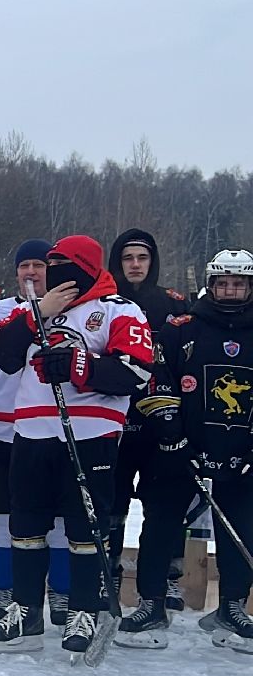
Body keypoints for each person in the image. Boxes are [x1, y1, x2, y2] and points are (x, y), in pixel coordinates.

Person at [0, 235, 152, 657]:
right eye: (48, 265)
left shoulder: (118, 309)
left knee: (84, 525)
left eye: (62, 265)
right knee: (26, 523)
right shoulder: (34, 310)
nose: (52, 272)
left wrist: (79, 366)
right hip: (32, 429)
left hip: (90, 430)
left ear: (86, 267)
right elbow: (0, 356)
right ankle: (25, 610)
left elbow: (137, 371)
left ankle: (83, 609)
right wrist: (39, 313)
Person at [0, 240, 72, 624]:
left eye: (39, 264)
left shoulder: (72, 312)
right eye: (25, 265)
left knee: (58, 518)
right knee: (1, 516)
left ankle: (60, 592)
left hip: (54, 432)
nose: (31, 272)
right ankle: (3, 590)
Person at [145, 249, 253, 652]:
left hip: (240, 449)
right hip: (181, 447)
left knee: (241, 526)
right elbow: (159, 379)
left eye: (239, 283)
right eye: (223, 283)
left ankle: (232, 606)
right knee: (161, 522)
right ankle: (151, 603)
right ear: (211, 285)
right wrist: (172, 435)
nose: (230, 290)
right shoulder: (181, 327)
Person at [107, 227, 194, 608]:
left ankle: (167, 577)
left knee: (165, 504)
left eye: (142, 258)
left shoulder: (173, 304)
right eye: (128, 258)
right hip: (115, 417)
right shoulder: (105, 302)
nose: (135, 265)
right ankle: (107, 571)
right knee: (112, 501)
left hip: (162, 421)